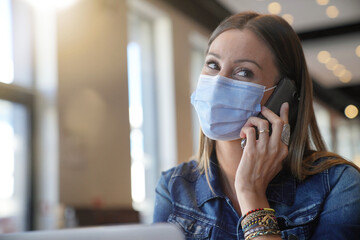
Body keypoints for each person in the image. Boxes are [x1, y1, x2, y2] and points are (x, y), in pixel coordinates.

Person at [153, 11, 360, 240]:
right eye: (212, 64)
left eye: (244, 72)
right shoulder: (173, 188)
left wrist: (251, 195)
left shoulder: (339, 186)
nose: (219, 82)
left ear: (284, 95)